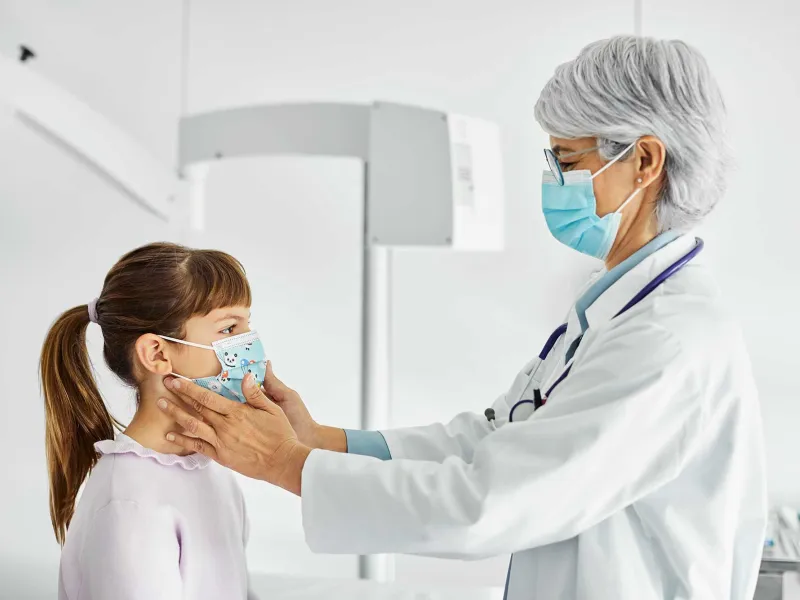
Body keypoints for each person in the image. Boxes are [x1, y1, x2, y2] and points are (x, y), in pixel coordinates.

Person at [157, 35, 767, 599]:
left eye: (566, 160)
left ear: (645, 161)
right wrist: (321, 442)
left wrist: (286, 464)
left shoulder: (667, 340)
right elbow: (495, 440)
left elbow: (492, 501)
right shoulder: (615, 313)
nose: (551, 181)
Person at [40, 242, 261, 600]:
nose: (249, 344)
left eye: (248, 325)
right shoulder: (127, 503)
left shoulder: (214, 471)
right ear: (157, 353)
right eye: (228, 329)